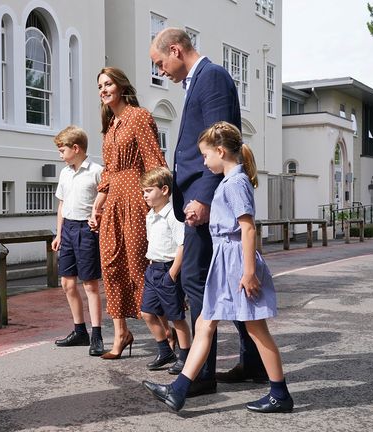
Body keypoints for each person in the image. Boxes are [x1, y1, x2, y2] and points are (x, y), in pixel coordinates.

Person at [143, 121, 293, 414]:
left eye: (205, 155)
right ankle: (179, 390)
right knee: (204, 323)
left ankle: (280, 393)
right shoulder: (229, 181)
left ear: (221, 151)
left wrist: (249, 271)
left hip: (236, 261)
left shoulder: (236, 182)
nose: (203, 161)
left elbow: (247, 229)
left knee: (256, 329)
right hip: (225, 260)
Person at [149, 27, 266, 391]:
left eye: (160, 63)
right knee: (225, 283)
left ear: (176, 50)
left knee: (197, 281)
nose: (161, 71)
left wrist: (202, 195)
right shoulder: (196, 81)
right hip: (198, 196)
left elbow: (222, 140)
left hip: (206, 199)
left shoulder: (212, 76)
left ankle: (199, 376)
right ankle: (254, 364)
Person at [89, 67, 167, 359]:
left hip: (136, 196)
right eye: (100, 86)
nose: (103, 89)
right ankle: (121, 333)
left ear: (121, 86)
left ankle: (166, 332)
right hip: (113, 201)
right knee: (110, 264)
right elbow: (108, 170)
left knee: (139, 266)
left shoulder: (139, 116)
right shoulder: (110, 125)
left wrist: (158, 201)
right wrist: (98, 202)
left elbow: (154, 160)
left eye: (108, 84)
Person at [51, 126, 105, 356]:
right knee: (67, 283)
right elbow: (61, 205)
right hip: (69, 229)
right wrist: (59, 233)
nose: (60, 154)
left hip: (86, 230)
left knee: (90, 284)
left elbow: (105, 201)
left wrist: (97, 217)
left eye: (62, 150)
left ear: (76, 148)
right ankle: (79, 330)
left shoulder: (96, 171)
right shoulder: (64, 173)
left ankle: (97, 335)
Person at [139, 167, 192, 371]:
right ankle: (165, 351)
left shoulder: (173, 215)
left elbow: (182, 245)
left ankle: (185, 356)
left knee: (176, 317)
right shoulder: (150, 215)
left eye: (149, 190)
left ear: (164, 190)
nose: (145, 195)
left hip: (168, 270)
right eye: (143, 191)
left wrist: (172, 274)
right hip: (153, 269)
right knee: (147, 313)